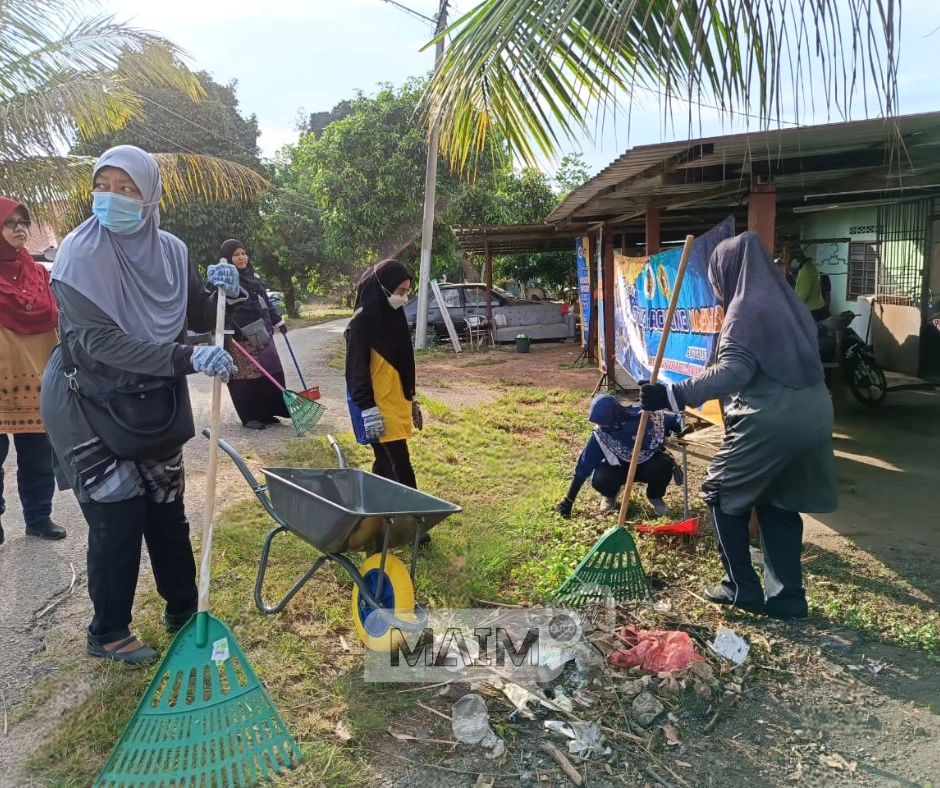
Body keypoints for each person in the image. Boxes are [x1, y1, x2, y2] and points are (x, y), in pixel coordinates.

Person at [41, 145, 241, 664]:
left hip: (151, 397)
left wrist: (223, 291)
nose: (112, 198)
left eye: (127, 189)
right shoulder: (78, 257)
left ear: (150, 197)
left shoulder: (171, 250)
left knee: (166, 506)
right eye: (102, 186)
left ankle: (185, 610)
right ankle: (108, 632)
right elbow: (99, 343)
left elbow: (197, 312)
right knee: (119, 514)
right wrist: (186, 356)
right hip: (87, 399)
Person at [640, 232, 837, 620]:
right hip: (815, 414)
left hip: (771, 419)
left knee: (720, 491)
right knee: (778, 501)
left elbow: (734, 371)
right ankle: (788, 599)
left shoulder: (746, 308)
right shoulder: (791, 305)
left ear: (728, 271)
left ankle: (740, 587)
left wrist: (672, 395)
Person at [0, 198, 65, 544]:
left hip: (38, 377)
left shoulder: (40, 275)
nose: (19, 229)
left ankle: (38, 517)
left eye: (23, 222)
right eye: (10, 223)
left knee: (38, 457)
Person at [345, 260, 422, 488]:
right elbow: (355, 372)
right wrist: (368, 409)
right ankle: (412, 508)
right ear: (383, 287)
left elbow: (405, 363)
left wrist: (412, 398)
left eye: (407, 291)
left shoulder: (395, 316)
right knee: (399, 467)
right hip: (377, 408)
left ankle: (374, 503)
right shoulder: (359, 325)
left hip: (397, 403)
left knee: (386, 463)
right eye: (400, 291)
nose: (404, 297)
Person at [554, 394, 683, 519]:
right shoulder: (601, 434)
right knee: (601, 478)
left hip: (647, 466)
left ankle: (655, 496)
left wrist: (682, 433)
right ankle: (610, 495)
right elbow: (583, 467)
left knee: (664, 465)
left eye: (605, 423)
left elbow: (677, 421)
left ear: (615, 415)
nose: (602, 427)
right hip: (618, 469)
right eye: (599, 423)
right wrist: (569, 500)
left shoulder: (645, 416)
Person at [218, 239, 289, 430]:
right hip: (238, 335)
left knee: (267, 370)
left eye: (243, 253)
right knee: (245, 376)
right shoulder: (224, 279)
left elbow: (265, 300)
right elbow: (217, 306)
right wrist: (226, 329)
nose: (241, 258)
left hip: (261, 331)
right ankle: (250, 416)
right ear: (227, 258)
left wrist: (278, 321)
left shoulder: (252, 276)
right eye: (236, 255)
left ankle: (267, 412)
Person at [795, 255, 830, 321]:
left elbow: (803, 294)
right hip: (820, 307)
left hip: (813, 310)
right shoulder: (813, 267)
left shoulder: (806, 269)